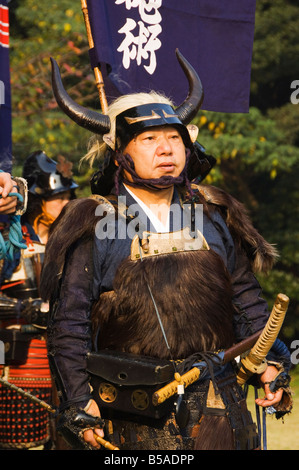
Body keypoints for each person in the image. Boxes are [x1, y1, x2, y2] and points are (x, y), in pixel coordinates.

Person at [40, 50, 292, 451]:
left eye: (174, 137)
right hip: (129, 411)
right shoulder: (93, 221)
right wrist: (78, 399)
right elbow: (69, 323)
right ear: (121, 153)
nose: (166, 149)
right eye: (150, 139)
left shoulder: (212, 213)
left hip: (220, 407)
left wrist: (271, 362)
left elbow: (245, 300)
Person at [0, 151, 78, 449]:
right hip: (20, 367)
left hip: (67, 368)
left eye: (69, 196)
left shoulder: (75, 244)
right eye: (57, 197)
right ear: (36, 201)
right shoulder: (9, 241)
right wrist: (25, 308)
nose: (66, 204)